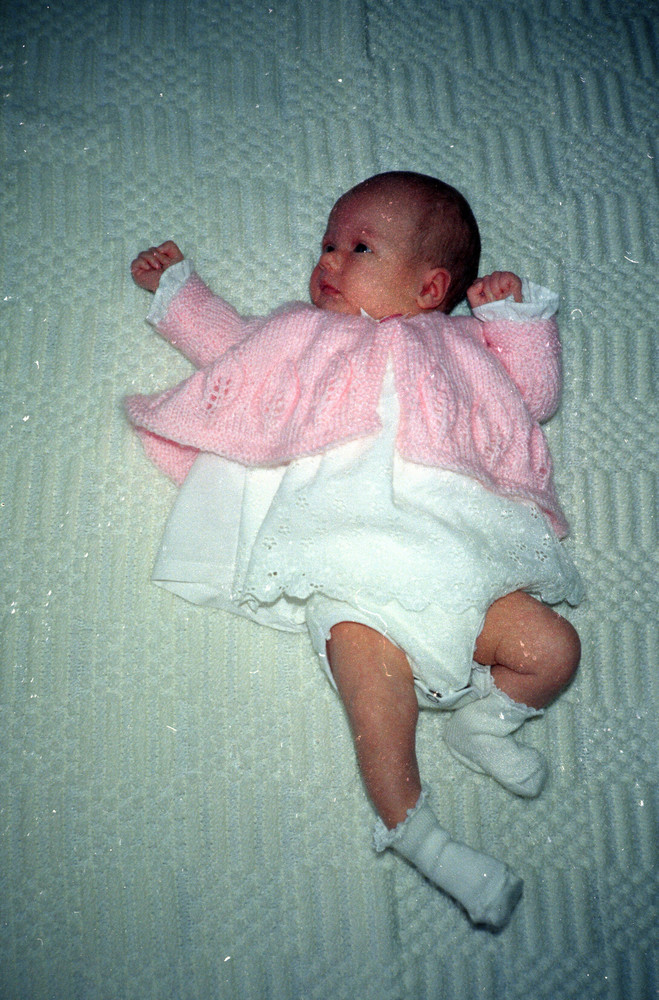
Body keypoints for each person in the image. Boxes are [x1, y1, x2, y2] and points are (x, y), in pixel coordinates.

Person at [126, 171, 582, 929]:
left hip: (466, 568)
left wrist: (515, 317)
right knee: (379, 710)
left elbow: (533, 397)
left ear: (432, 286)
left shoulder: (465, 343)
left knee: (554, 648)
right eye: (327, 245)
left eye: (358, 247)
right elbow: (232, 347)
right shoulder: (304, 334)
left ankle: (487, 722)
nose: (329, 261)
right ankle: (419, 837)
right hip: (345, 567)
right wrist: (179, 291)